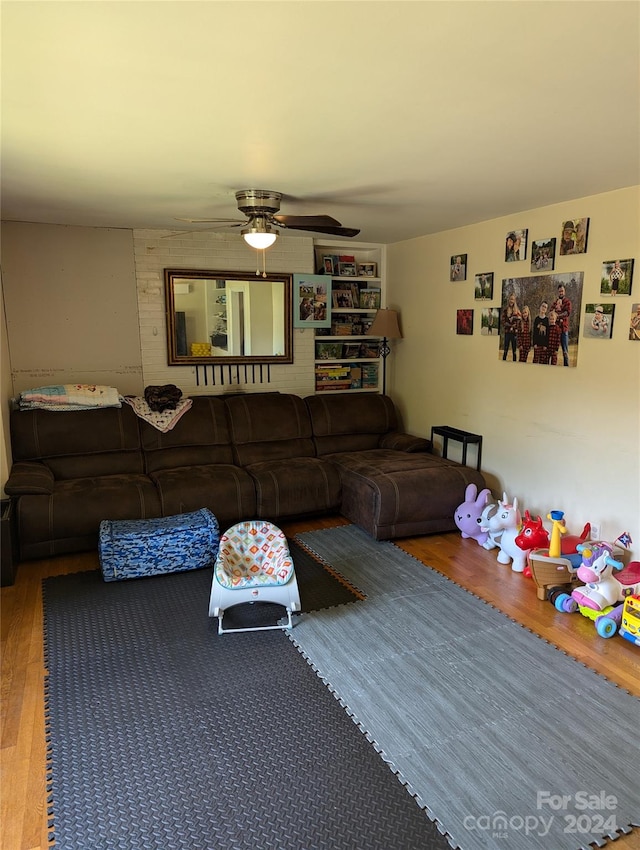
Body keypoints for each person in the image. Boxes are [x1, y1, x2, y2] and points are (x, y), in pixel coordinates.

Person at [554, 283, 572, 365]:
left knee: (565, 351)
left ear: (564, 291)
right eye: (559, 291)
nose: (561, 292)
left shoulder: (567, 302)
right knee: (554, 351)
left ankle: (566, 367)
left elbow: (567, 312)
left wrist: (557, 315)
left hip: (564, 329)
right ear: (558, 292)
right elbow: (551, 311)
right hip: (556, 329)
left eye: (562, 291)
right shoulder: (555, 302)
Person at [501, 292, 521, 360]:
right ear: (509, 300)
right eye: (510, 299)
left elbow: (520, 319)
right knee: (505, 350)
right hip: (507, 332)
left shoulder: (517, 310)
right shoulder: (505, 310)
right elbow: (503, 321)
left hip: (514, 333)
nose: (511, 301)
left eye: (513, 299)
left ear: (514, 300)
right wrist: (510, 325)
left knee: (514, 352)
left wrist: (514, 319)